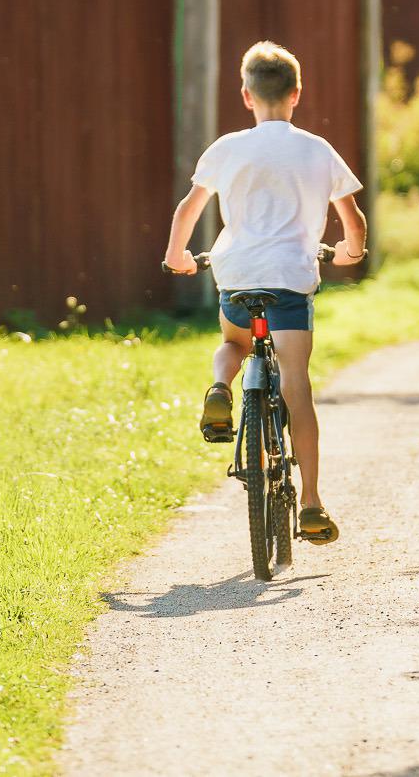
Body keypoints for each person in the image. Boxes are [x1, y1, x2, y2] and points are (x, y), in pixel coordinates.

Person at [164, 41, 366, 545]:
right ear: (297, 93)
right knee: (296, 381)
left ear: (246, 95)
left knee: (234, 344)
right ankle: (312, 502)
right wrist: (350, 251)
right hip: (290, 278)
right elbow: (353, 220)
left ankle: (220, 387)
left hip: (237, 273)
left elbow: (188, 208)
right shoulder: (317, 149)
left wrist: (177, 255)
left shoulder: (227, 148)